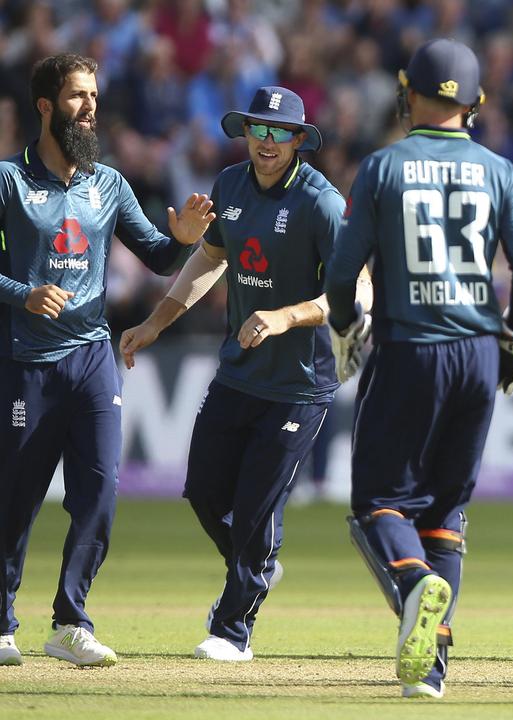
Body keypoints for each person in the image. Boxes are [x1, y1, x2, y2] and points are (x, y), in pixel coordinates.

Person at [324, 39, 513, 699]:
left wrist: (343, 324)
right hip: (479, 351)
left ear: (406, 91)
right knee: (446, 512)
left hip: (408, 346)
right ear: (475, 103)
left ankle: (416, 583)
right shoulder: (499, 170)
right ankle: (432, 670)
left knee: (378, 505)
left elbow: (342, 271)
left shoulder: (384, 166)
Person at [117, 86, 364, 661]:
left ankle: (233, 628)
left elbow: (356, 290)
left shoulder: (320, 203)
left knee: (255, 511)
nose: (268, 142)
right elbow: (209, 259)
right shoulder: (229, 186)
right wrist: (158, 321)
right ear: (246, 133)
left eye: (280, 133)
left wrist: (284, 316)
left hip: (299, 386)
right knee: (202, 492)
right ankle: (256, 568)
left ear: (299, 141)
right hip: (238, 373)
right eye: (259, 130)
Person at [0, 53, 213, 667]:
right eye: (75, 96)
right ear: (45, 106)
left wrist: (184, 240)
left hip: (93, 355)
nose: (89, 106)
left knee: (99, 493)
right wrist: (24, 292)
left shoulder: (109, 183)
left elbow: (158, 257)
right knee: (16, 496)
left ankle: (70, 622)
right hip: (27, 362)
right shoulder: (10, 181)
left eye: (93, 95)